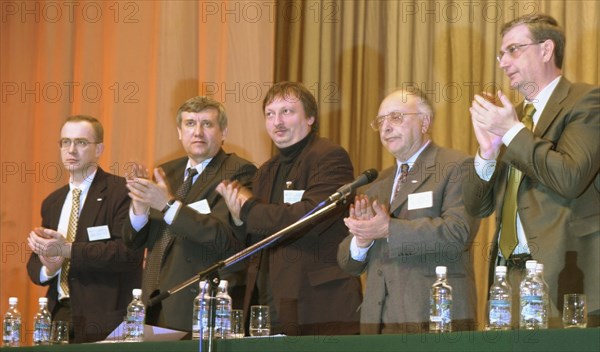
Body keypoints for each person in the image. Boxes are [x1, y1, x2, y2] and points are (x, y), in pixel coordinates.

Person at [463, 13, 599, 328]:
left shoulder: (587, 101)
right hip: (508, 282)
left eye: (513, 50)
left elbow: (570, 177)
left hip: (566, 281)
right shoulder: (515, 119)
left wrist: (511, 132)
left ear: (546, 49)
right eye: (501, 54)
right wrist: (486, 152)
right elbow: (476, 206)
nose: (503, 62)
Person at [216, 82, 362, 336]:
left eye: (287, 111)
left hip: (318, 304)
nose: (277, 121)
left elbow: (308, 217)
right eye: (270, 114)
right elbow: (256, 234)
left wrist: (248, 209)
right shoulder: (266, 171)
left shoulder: (330, 157)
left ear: (310, 118)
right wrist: (238, 219)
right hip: (269, 302)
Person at [337, 88, 479, 334]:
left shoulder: (457, 166)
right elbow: (347, 262)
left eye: (396, 117)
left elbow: (458, 232)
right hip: (379, 325)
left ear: (425, 122)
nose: (386, 127)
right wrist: (362, 240)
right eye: (381, 121)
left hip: (434, 318)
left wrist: (388, 229)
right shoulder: (377, 184)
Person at [123, 96, 257, 332]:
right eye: (190, 124)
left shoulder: (237, 171)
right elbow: (133, 241)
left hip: (198, 304)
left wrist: (167, 204)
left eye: (207, 124)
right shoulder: (167, 171)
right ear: (179, 131)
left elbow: (223, 237)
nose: (198, 132)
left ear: (223, 131)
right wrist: (140, 208)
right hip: (152, 303)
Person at [26, 115, 144, 343]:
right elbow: (34, 265)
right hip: (59, 314)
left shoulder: (120, 192)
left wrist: (67, 250)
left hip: (105, 318)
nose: (71, 150)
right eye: (65, 142)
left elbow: (126, 253)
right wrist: (49, 268)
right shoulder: (53, 201)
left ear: (99, 148)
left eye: (81, 143)